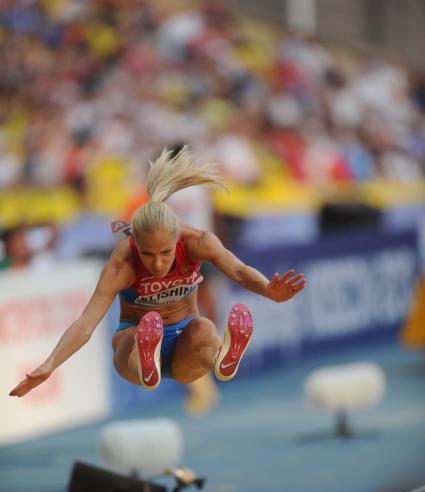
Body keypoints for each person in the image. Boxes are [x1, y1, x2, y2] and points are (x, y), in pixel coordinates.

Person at [9, 146, 306, 399]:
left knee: (204, 329)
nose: (158, 264)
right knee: (138, 334)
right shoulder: (122, 261)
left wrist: (268, 289)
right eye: (147, 254)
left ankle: (219, 359)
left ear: (178, 237)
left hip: (184, 348)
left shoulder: (197, 242)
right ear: (134, 241)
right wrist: (49, 364)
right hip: (133, 346)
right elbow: (86, 324)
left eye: (165, 253)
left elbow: (239, 271)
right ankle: (147, 365)